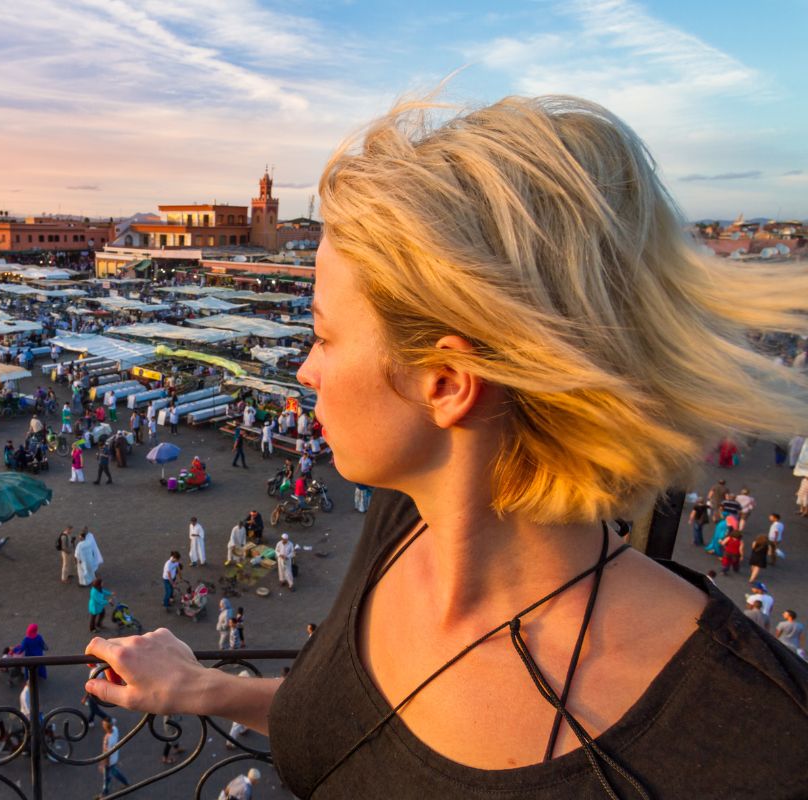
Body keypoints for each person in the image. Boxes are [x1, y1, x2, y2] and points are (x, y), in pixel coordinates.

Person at [84, 95, 808, 798]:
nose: (304, 369)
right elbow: (359, 724)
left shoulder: (758, 745)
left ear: (446, 381)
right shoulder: (403, 519)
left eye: (326, 335)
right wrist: (203, 688)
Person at [98, 718, 129, 795]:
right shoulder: (115, 730)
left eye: (103, 725)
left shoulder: (107, 739)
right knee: (110, 774)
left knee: (110, 775)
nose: (102, 726)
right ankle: (105, 791)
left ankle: (105, 793)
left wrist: (103, 764)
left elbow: (106, 754)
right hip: (114, 758)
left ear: (107, 727)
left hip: (109, 762)